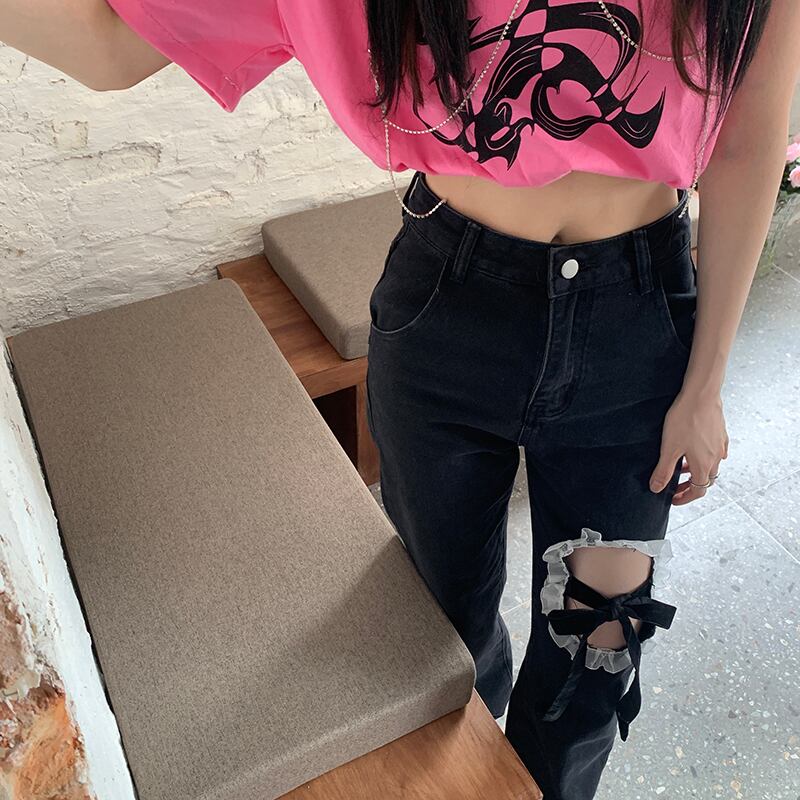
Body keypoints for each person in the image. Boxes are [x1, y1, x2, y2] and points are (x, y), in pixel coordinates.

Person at [3, 1, 798, 797]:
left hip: (636, 327)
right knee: (441, 626)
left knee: (601, 648)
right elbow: (109, 44)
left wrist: (706, 384)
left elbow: (749, 142)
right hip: (449, 309)